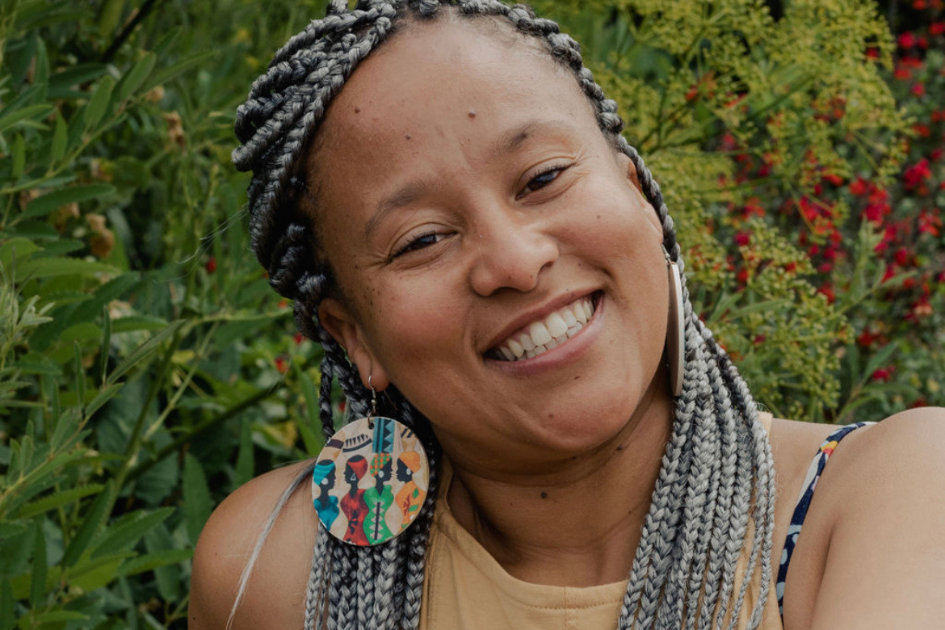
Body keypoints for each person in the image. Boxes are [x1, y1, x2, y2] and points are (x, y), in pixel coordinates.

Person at [188, 1, 945, 628]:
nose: (515, 262)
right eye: (421, 240)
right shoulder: (274, 572)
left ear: (638, 195)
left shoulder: (885, 500)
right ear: (353, 334)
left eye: (543, 177)